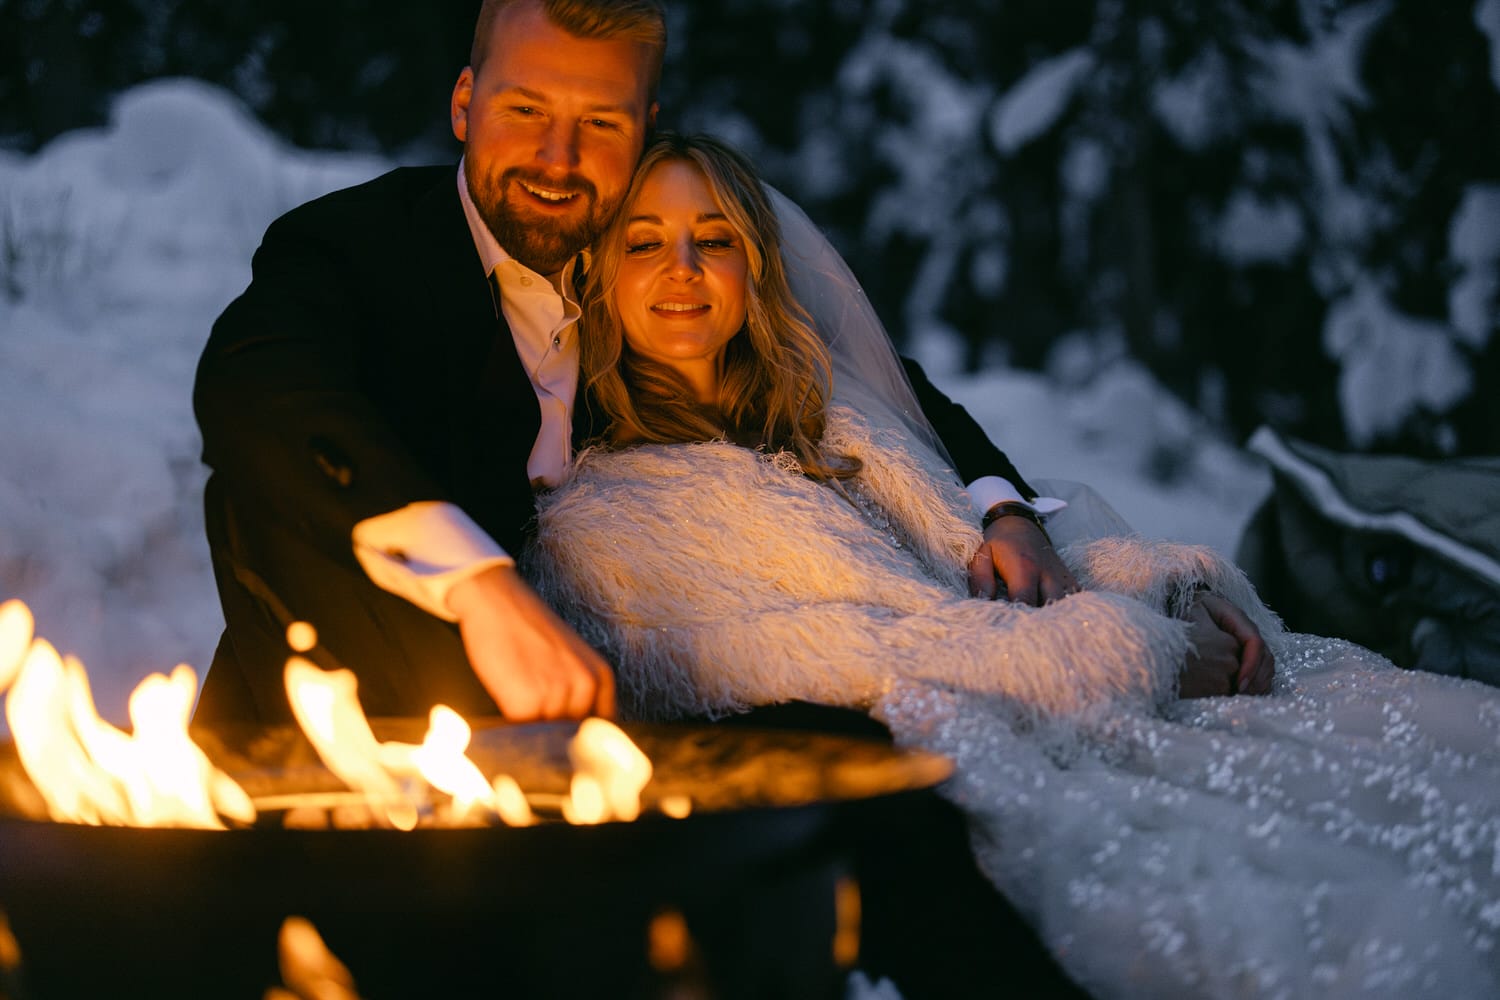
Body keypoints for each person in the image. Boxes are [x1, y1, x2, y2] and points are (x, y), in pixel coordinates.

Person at [526, 132, 1500, 998]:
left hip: (1066, 688)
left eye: (716, 238)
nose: (684, 268)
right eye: (645, 243)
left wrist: (1175, 592)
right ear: (600, 277)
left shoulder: (839, 422)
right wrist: (1144, 655)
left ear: (755, 264)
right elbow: (860, 660)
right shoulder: (611, 514)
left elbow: (996, 557)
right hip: (982, 751)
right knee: (1368, 902)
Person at [192, 0, 1066, 727]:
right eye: (527, 110)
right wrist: (475, 586)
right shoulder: (362, 243)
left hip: (635, 752)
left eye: (598, 123)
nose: (558, 160)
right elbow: (256, 383)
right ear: (465, 103)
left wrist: (1003, 508)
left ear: (644, 128)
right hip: (346, 734)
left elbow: (865, 372)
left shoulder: (649, 259)